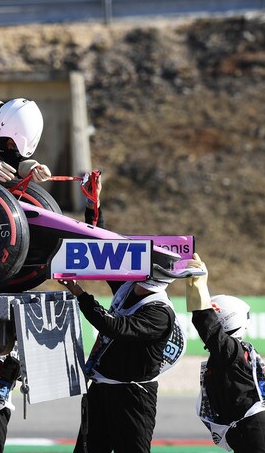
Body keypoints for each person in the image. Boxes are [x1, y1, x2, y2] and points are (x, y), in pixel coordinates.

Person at [58, 177, 186, 453]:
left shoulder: (159, 313)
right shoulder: (130, 286)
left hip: (133, 396)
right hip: (102, 388)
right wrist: (94, 206)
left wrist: (80, 293)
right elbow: (101, 244)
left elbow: (114, 326)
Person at [184, 254, 265, 452]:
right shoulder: (233, 352)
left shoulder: (230, 352)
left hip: (255, 431)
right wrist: (193, 286)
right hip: (249, 430)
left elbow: (206, 325)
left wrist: (199, 286)